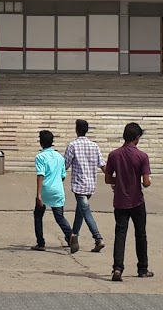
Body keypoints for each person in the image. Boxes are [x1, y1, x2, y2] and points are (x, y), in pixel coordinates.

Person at [104, 121, 153, 281]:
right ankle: (142, 268)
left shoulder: (114, 155)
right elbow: (146, 182)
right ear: (137, 138)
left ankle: (117, 268)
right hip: (137, 200)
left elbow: (108, 179)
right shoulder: (142, 156)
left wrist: (120, 181)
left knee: (120, 234)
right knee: (140, 234)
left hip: (120, 201)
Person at [63, 118, 105, 255]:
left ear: (76, 130)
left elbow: (65, 165)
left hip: (79, 185)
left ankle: (98, 238)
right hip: (91, 184)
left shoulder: (73, 145)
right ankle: (73, 236)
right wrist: (113, 177)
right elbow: (102, 164)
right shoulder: (94, 146)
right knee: (80, 211)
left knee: (85, 211)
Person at [33, 129, 76, 250]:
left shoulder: (40, 157)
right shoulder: (60, 157)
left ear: (41, 143)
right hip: (58, 190)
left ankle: (40, 243)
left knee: (38, 215)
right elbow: (63, 175)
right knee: (59, 217)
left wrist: (38, 194)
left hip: (45, 190)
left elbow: (40, 175)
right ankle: (70, 235)